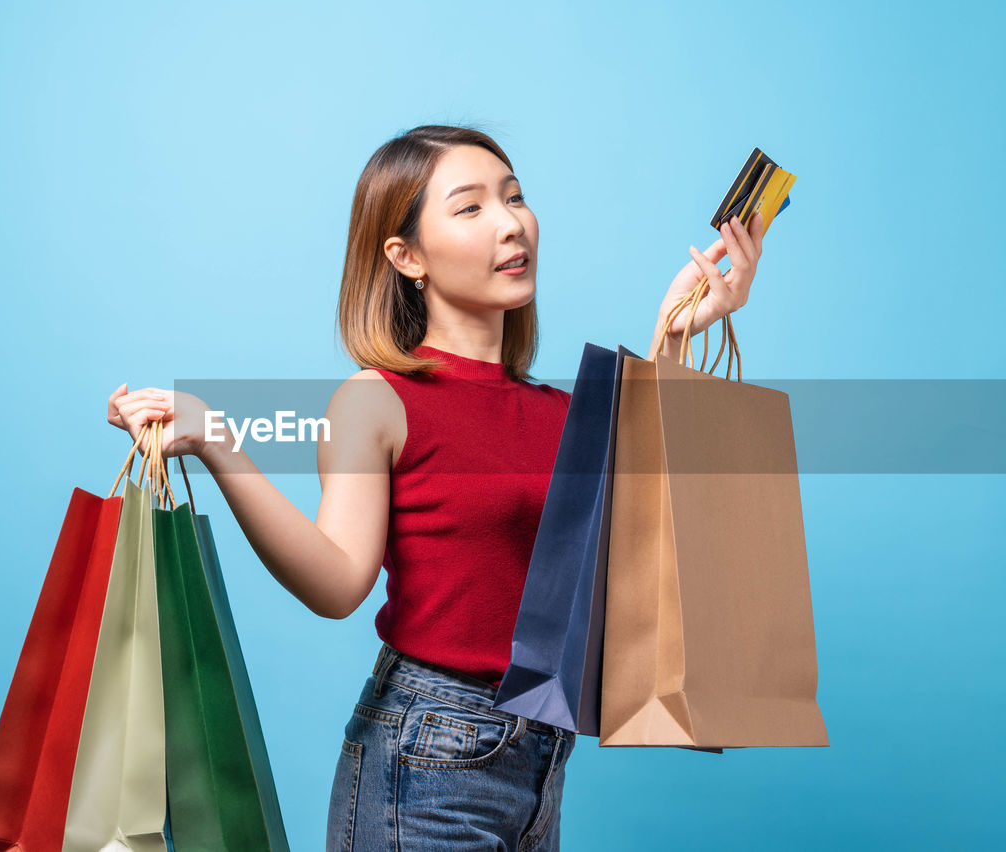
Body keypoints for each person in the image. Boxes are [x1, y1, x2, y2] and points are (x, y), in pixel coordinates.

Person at [105, 125, 763, 851]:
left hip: (540, 758)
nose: (511, 223)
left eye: (515, 198)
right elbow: (337, 583)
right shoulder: (377, 400)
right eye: (471, 207)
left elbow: (637, 536)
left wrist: (682, 327)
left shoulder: (560, 412)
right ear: (406, 255)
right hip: (427, 755)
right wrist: (216, 441)